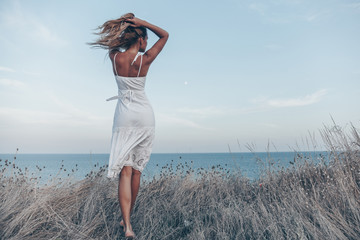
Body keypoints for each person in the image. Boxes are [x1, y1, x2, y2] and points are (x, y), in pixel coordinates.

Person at [90, 13, 169, 238]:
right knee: (136, 171)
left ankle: (127, 226)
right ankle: (127, 220)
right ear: (142, 39)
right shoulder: (145, 60)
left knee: (125, 171)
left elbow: (114, 41)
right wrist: (142, 23)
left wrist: (125, 23)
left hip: (124, 117)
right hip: (145, 117)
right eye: (144, 39)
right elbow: (165, 35)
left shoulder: (115, 58)